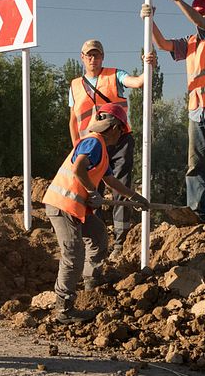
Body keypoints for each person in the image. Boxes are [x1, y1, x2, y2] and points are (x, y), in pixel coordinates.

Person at [43, 102, 151, 324]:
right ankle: (64, 309)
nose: (121, 136)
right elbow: (78, 168)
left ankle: (92, 280)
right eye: (122, 131)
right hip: (63, 206)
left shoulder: (100, 148)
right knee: (73, 255)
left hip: (76, 208)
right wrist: (93, 192)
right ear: (114, 127)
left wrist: (135, 197)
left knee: (99, 237)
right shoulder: (94, 142)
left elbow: (111, 181)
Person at [146, 0, 205, 231]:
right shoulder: (190, 42)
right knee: (195, 165)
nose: (204, 16)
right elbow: (163, 45)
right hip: (197, 111)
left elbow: (200, 23)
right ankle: (197, 213)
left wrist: (177, 0)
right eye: (202, 12)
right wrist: (149, 21)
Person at [67, 39, 146, 261]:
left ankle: (120, 241)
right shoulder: (74, 85)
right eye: (89, 55)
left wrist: (148, 66)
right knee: (93, 191)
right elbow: (73, 120)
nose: (93, 59)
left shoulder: (115, 75)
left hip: (119, 140)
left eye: (97, 55)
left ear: (103, 57)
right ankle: (97, 240)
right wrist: (76, 148)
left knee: (120, 185)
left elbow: (137, 82)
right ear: (82, 57)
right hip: (91, 144)